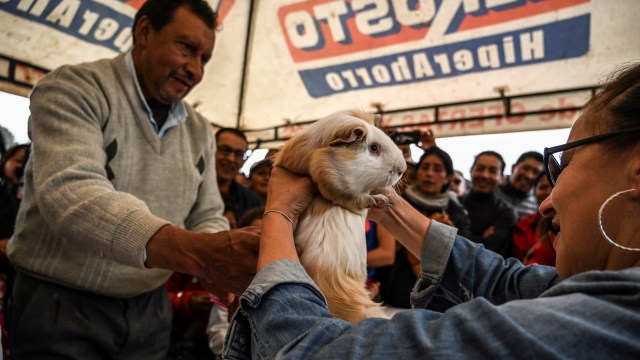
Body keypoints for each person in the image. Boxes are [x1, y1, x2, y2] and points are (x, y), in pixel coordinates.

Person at [223, 62, 640, 358]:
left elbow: (311, 352)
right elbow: (502, 279)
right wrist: (385, 203)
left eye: (563, 166)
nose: (547, 200)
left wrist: (277, 214)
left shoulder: (597, 325)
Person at [6, 1, 259, 358]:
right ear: (143, 32)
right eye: (186, 48)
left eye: (204, 58)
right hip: (61, 303)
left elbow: (206, 213)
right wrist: (201, 255)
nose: (195, 70)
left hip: (150, 309)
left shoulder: (200, 130)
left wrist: (222, 261)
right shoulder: (74, 88)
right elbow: (73, 194)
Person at [403, 147, 471, 238]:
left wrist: (452, 236)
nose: (429, 173)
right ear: (417, 173)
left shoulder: (456, 209)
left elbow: (465, 248)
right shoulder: (402, 202)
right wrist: (426, 227)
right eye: (425, 167)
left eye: (437, 169)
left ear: (447, 178)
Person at [460, 151, 517, 255]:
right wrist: (481, 239)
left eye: (493, 171)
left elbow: (487, 251)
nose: (485, 175)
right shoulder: (455, 203)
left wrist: (456, 232)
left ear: (501, 178)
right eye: (480, 169)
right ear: (471, 171)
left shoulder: (506, 213)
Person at [215, 127, 262, 219]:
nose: (231, 159)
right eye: (225, 149)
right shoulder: (192, 190)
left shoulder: (251, 201)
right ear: (210, 149)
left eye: (239, 154)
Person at [510, 172, 556, 266]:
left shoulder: (572, 226)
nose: (548, 192)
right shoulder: (523, 226)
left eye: (553, 187)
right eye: (542, 188)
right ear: (534, 191)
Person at [495, 151, 544, 220]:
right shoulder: (493, 187)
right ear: (513, 168)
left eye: (536, 172)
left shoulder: (537, 204)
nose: (529, 176)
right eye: (526, 168)